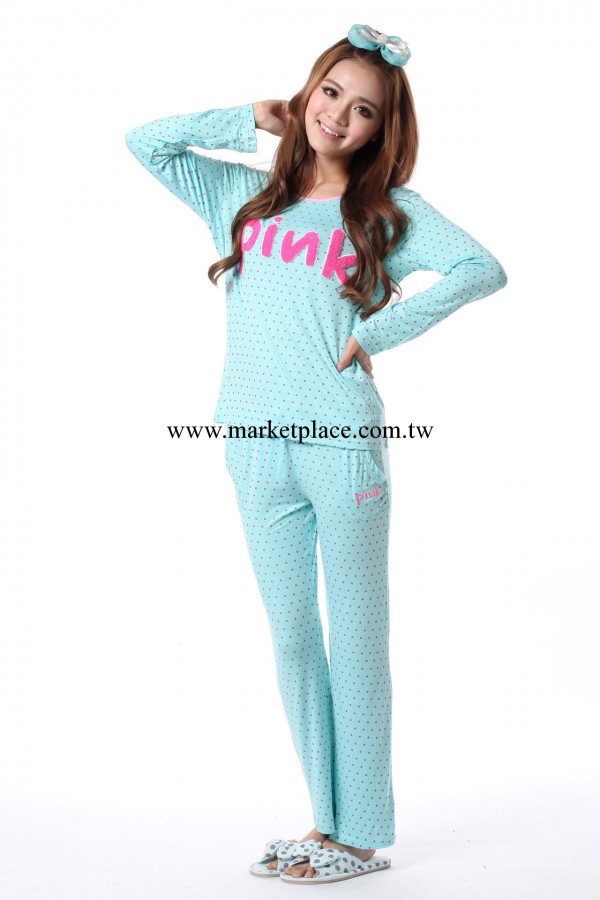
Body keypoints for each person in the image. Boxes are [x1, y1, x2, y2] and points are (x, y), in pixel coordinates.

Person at [125, 23, 508, 884]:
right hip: (251, 443)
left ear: (381, 129)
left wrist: (380, 332)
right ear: (307, 93)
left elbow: (481, 269)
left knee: (357, 639)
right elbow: (144, 142)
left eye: (363, 109)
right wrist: (246, 118)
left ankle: (360, 835)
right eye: (330, 92)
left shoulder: (389, 214)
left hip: (342, 446)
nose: (339, 115)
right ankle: (326, 820)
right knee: (294, 637)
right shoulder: (243, 199)